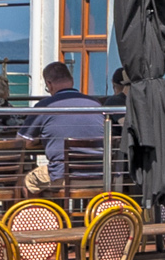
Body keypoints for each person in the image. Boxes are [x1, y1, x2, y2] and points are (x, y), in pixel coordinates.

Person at [28, 61, 109, 189]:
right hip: (98, 174)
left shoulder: (44, 106)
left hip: (62, 174)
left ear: (49, 84)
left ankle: (43, 209)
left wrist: (42, 138)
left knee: (28, 182)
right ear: (72, 80)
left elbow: (24, 141)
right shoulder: (95, 103)